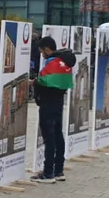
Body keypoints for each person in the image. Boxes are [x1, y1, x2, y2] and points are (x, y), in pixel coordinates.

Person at [31, 36, 76, 183]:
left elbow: (43, 82)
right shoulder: (64, 62)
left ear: (47, 49)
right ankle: (58, 170)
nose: (42, 55)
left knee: (49, 138)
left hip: (47, 104)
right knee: (58, 135)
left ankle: (48, 173)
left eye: (42, 52)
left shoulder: (52, 63)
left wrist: (34, 83)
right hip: (58, 103)